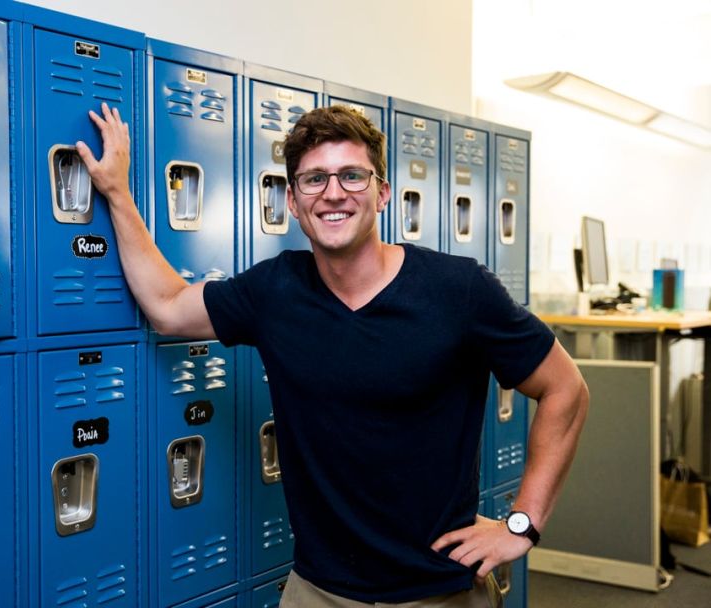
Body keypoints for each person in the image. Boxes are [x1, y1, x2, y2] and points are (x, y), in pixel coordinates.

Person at [77, 102, 589, 608]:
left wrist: (522, 523)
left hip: (437, 591)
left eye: (352, 176)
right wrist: (117, 191)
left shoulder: (458, 290)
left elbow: (565, 388)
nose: (333, 193)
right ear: (294, 203)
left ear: (383, 193)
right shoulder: (275, 292)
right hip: (317, 591)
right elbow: (167, 306)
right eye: (313, 179)